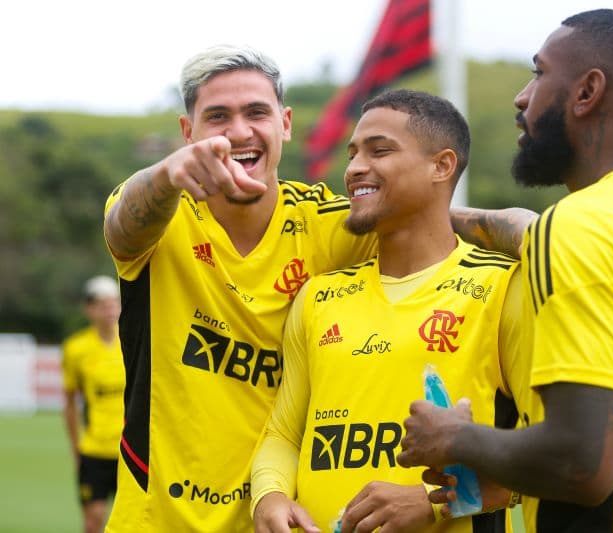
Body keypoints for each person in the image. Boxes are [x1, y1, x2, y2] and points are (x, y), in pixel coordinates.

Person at [102, 45, 531, 531]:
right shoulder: (162, 211)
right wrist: (165, 174)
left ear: (285, 124)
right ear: (188, 133)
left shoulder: (329, 226)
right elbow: (123, 227)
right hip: (161, 519)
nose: (239, 131)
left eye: (256, 113)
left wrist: (543, 237)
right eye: (217, 116)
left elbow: (414, 216)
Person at [397, 9, 613, 533]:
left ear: (587, 93)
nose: (521, 97)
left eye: (538, 74)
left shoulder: (577, 227)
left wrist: (452, 437)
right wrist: (432, 218)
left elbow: (581, 464)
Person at [250, 89, 524, 533]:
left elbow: (564, 456)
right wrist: (269, 495)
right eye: (353, 153)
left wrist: (433, 502)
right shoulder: (317, 296)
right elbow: (282, 434)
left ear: (442, 165)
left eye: (380, 151)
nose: (355, 167)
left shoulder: (502, 287)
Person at [61, 275, 125, 533]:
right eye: (102, 304)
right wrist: (76, 449)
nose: (110, 310)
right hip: (95, 449)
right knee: (94, 518)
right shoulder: (76, 349)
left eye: (114, 303)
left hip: (130, 451)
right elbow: (69, 404)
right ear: (89, 309)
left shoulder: (135, 340)